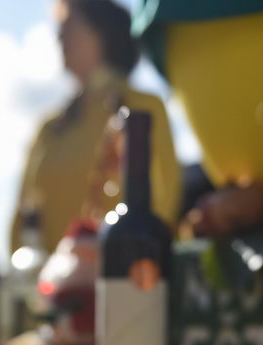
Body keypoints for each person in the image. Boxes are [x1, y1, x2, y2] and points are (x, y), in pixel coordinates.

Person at [10, 0, 181, 255]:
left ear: (102, 31)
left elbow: (166, 196)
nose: (59, 36)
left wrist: (137, 256)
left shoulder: (143, 107)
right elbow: (23, 213)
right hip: (54, 276)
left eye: (69, 26)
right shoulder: (51, 126)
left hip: (123, 270)